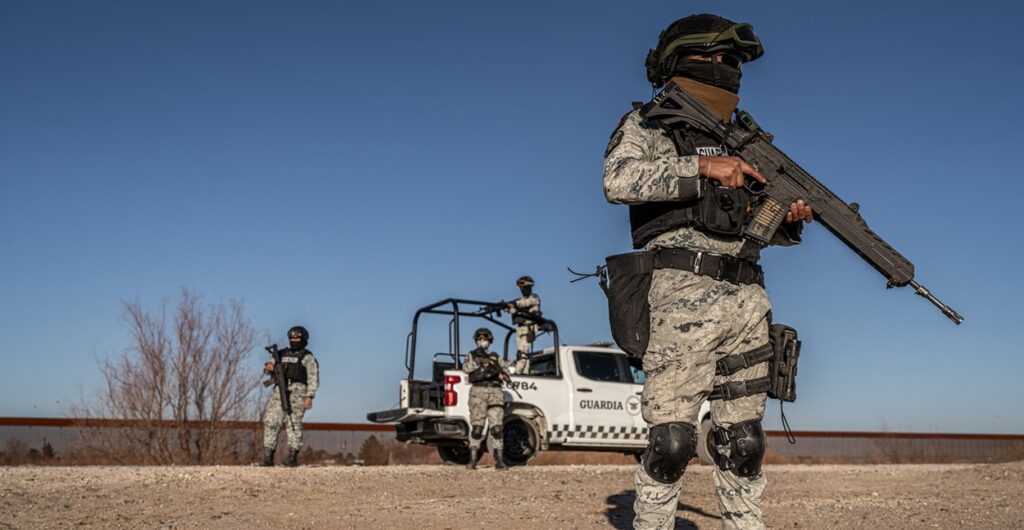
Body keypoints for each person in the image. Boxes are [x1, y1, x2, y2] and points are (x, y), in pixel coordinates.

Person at [602, 14, 813, 530]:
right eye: (714, 59)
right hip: (679, 295)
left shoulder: (743, 138)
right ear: (681, 62)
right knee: (672, 442)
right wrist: (699, 168)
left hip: (745, 297)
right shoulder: (649, 124)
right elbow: (618, 180)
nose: (725, 70)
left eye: (733, 62)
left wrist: (786, 218)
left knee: (743, 441)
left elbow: (751, 219)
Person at [261, 325, 320, 467]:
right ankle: (268, 457)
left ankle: (292, 457)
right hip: (279, 390)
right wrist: (270, 366)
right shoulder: (281, 354)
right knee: (271, 421)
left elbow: (313, 378)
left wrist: (310, 396)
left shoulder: (307, 357)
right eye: (292, 338)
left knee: (293, 424)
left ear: (303, 339)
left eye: (297, 337)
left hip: (298, 393)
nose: (294, 340)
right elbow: (268, 368)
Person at [462, 327, 508, 470]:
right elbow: (465, 369)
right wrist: (479, 362)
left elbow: (505, 371)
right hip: (478, 392)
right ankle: (473, 460)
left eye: (485, 339)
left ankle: (499, 461)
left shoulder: (495, 356)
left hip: (495, 391)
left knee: (497, 428)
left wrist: (503, 375)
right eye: (480, 339)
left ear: (490, 341)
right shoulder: (472, 355)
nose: (482, 342)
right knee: (477, 428)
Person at [506, 276, 541, 372]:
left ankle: (517, 373)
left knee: (522, 353)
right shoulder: (519, 300)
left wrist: (513, 304)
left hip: (528, 329)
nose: (522, 290)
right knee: (523, 354)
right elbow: (514, 308)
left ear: (529, 287)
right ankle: (525, 372)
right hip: (520, 328)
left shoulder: (534, 298)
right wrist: (506, 307)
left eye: (524, 288)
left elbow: (524, 303)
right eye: (521, 288)